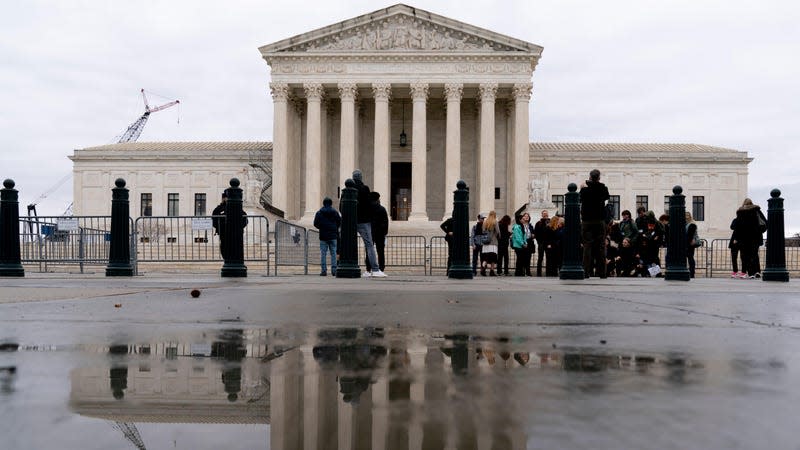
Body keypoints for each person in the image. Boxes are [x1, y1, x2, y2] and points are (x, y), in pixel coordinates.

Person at [352, 169, 385, 278]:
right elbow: (368, 204)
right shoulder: (364, 189)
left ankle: (351, 267)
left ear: (353, 178)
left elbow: (342, 208)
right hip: (363, 221)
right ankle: (375, 269)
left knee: (348, 245)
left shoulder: (347, 189)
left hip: (351, 221)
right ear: (361, 177)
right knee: (369, 245)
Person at [579, 169, 610, 278]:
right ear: (599, 177)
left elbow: (580, 199)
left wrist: (583, 187)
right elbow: (606, 197)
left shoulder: (585, 190)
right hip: (599, 220)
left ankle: (586, 272)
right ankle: (602, 273)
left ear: (590, 177)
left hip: (587, 220)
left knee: (587, 246)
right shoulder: (603, 188)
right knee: (601, 247)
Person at [732, 198, 767, 279]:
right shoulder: (756, 210)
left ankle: (750, 273)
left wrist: (736, 238)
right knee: (754, 254)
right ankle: (757, 271)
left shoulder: (740, 212)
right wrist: (760, 231)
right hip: (756, 236)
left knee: (745, 255)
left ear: (744, 203)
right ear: (752, 203)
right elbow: (765, 222)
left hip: (744, 237)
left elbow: (738, 226)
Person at [212, 190, 248, 260]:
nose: (227, 199)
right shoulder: (219, 209)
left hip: (235, 233)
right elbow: (214, 220)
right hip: (224, 232)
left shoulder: (238, 208)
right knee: (224, 248)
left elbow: (245, 219)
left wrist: (239, 228)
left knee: (235, 248)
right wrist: (220, 228)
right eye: (225, 197)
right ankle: (227, 260)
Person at [313, 197, 341, 276]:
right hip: (333, 235)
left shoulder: (319, 213)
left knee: (323, 254)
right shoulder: (335, 212)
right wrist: (335, 228)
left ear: (323, 203)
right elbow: (339, 221)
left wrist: (321, 227)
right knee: (333, 254)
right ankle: (334, 270)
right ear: (331, 204)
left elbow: (315, 223)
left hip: (323, 236)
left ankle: (324, 271)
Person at [365, 192, 389, 273]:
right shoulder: (381, 209)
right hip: (380, 233)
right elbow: (386, 222)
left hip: (370, 232)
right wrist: (384, 232)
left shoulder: (367, 209)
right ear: (377, 199)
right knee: (380, 251)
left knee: (369, 251)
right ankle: (381, 268)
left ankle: (368, 268)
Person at [617, 210, 639, 277]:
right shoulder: (622, 223)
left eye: (624, 215)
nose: (623, 216)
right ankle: (623, 270)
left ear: (628, 215)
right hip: (623, 241)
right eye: (622, 215)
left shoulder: (631, 222)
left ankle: (629, 270)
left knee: (629, 256)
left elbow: (636, 232)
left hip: (629, 242)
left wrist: (632, 240)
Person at [511, 212, 534, 276]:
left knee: (521, 259)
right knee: (519, 259)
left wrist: (525, 243)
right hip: (518, 245)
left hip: (522, 245)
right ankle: (518, 272)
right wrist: (523, 243)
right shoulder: (516, 227)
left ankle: (521, 272)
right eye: (523, 219)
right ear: (520, 220)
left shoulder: (521, 226)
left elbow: (524, 236)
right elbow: (518, 237)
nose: (524, 220)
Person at [480, 211, 501, 276]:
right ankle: (492, 271)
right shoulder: (495, 222)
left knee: (486, 257)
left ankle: (483, 267)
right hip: (493, 242)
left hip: (485, 243)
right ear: (494, 215)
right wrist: (499, 237)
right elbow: (498, 232)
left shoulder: (485, 222)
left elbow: (483, 231)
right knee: (493, 258)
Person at [533, 210, 550, 276]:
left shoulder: (550, 222)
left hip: (548, 243)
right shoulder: (538, 223)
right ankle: (538, 273)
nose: (545, 215)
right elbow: (536, 233)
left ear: (548, 214)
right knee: (540, 258)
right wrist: (539, 242)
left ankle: (548, 272)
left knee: (548, 258)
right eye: (544, 214)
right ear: (542, 215)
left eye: (546, 214)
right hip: (541, 243)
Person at [685, 211, 699, 278]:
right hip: (688, 243)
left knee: (690, 258)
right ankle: (690, 272)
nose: (686, 217)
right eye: (685, 215)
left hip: (690, 244)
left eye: (688, 215)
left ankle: (692, 273)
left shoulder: (692, 224)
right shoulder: (686, 224)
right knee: (689, 258)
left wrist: (687, 244)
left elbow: (690, 235)